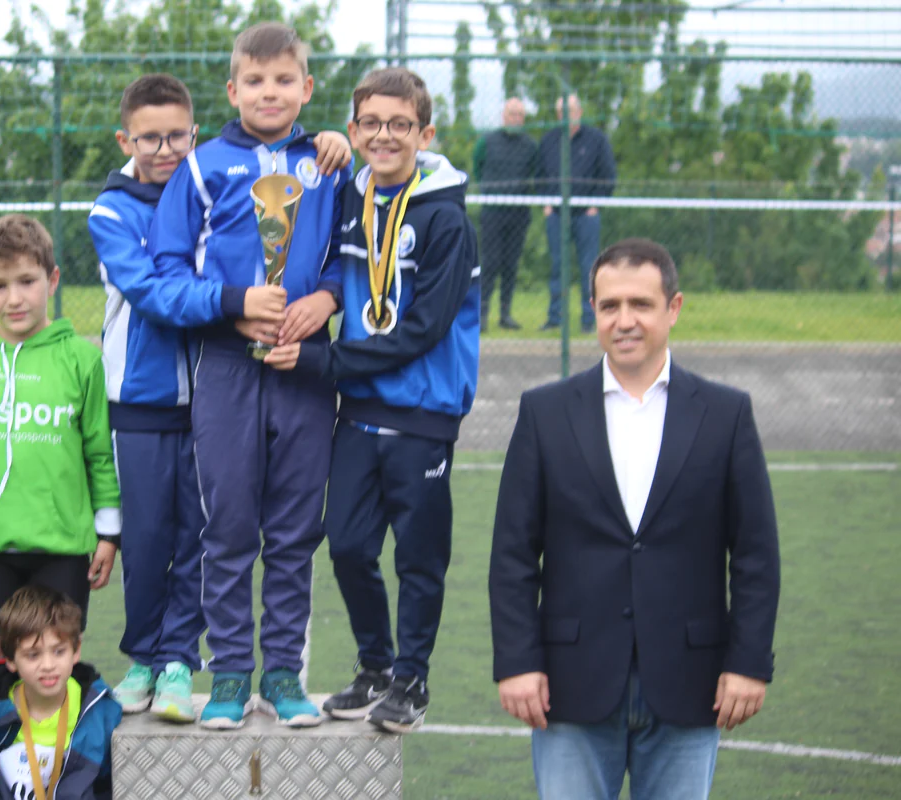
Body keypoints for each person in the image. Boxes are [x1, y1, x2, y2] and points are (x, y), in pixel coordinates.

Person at [489, 238, 781, 799]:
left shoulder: (725, 414)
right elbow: (513, 554)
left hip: (690, 685)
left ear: (673, 308)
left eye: (641, 305)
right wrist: (517, 662)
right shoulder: (545, 412)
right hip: (570, 685)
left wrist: (749, 663)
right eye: (610, 306)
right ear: (593, 311)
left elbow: (755, 554)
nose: (624, 321)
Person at [148, 21, 352, 729]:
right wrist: (232, 306)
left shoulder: (328, 164)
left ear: (307, 88)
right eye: (256, 81)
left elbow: (348, 257)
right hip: (228, 367)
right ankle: (232, 672)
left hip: (304, 367)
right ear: (232, 90)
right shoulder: (201, 167)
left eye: (284, 80)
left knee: (295, 531)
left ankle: (285, 673)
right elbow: (166, 275)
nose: (271, 92)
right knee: (229, 527)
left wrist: (325, 301)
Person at [265, 67, 479, 733]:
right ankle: (376, 666)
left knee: (418, 556)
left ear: (425, 134)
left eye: (400, 124)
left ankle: (412, 679)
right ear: (355, 131)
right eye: (371, 124)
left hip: (423, 413)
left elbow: (424, 330)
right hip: (357, 410)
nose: (385, 136)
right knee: (349, 545)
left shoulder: (445, 219)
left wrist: (322, 362)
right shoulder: (349, 194)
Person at [0, 214, 121, 664]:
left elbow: (99, 452)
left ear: (52, 280)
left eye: (27, 281)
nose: (14, 298)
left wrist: (108, 532)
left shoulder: (82, 359)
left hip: (62, 546)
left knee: (51, 668)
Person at [0, 585, 122, 800]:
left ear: (76, 650)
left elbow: (109, 788)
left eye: (59, 651)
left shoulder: (100, 711)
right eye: (33, 655)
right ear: (10, 659)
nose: (48, 665)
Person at [536, 94, 616, 333]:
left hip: (586, 215)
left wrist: (595, 204)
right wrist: (546, 204)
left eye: (570, 111)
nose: (566, 116)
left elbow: (608, 176)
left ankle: (589, 319)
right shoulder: (549, 140)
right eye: (561, 112)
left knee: (589, 267)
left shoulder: (596, 140)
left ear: (579, 112)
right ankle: (555, 317)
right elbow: (539, 176)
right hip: (556, 214)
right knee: (557, 266)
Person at [473, 97, 537, 330]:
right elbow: (478, 167)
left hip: (518, 213)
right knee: (490, 263)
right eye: (512, 114)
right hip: (492, 212)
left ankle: (505, 314)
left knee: (511, 264)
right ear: (504, 116)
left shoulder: (530, 146)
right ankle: (482, 314)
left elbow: (535, 172)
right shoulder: (487, 142)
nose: (516, 119)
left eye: (520, 115)